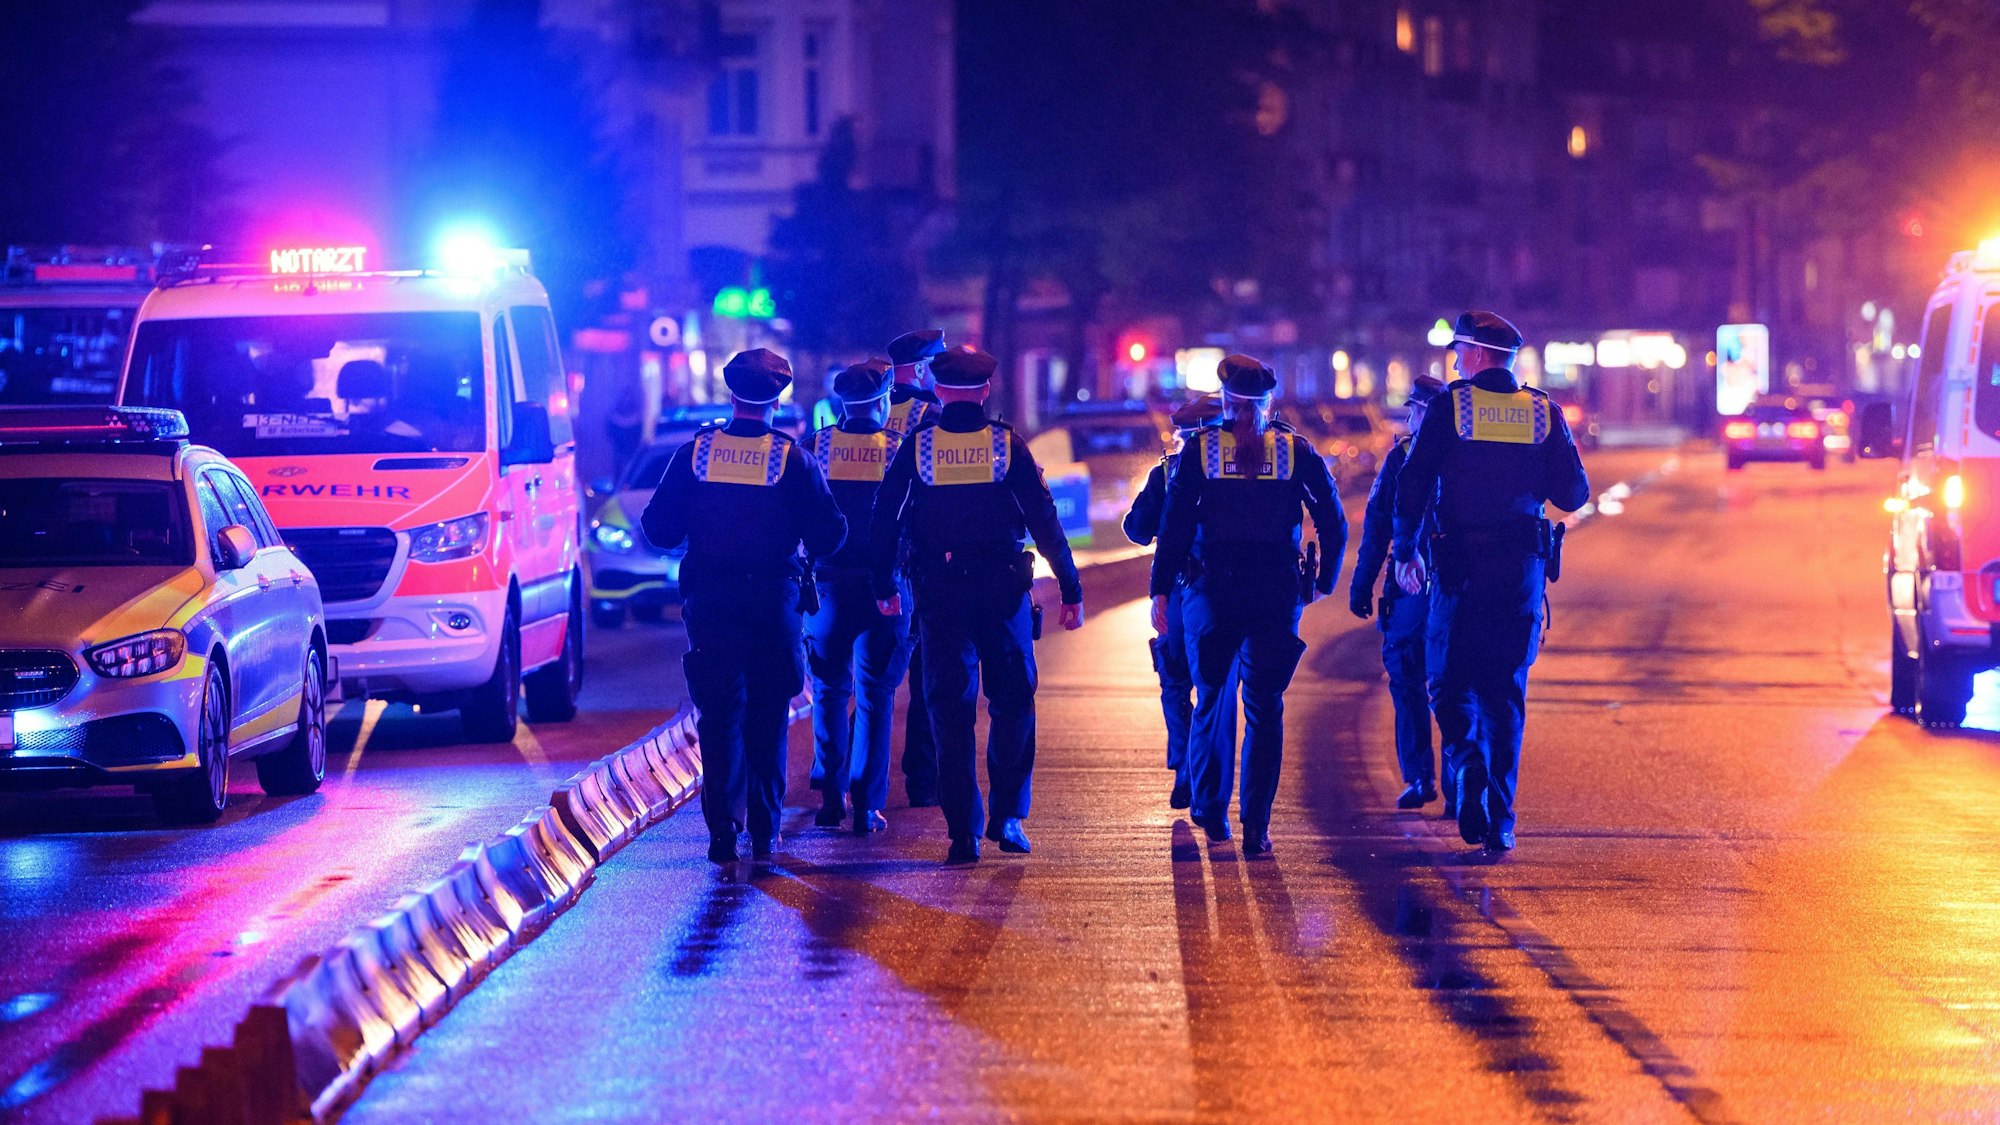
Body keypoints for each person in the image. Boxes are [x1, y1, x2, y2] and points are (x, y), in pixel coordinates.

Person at [871, 344, 1084, 864]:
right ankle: (1008, 817)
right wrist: (1070, 587)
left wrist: (882, 585)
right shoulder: (1008, 446)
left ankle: (962, 833)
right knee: (1012, 701)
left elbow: (885, 519)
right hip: (1002, 591)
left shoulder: (918, 448)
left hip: (939, 593)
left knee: (949, 709)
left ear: (940, 392)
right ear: (986, 390)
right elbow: (1044, 520)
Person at [1392, 311, 1590, 858]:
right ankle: (1501, 821)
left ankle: (1466, 762)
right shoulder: (1542, 412)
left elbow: (1413, 484)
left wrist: (1405, 550)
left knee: (1446, 683)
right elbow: (1574, 494)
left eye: (1460, 352)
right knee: (1505, 694)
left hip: (1458, 570)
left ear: (1478, 355)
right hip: (1520, 573)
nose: (1456, 360)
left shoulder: (1451, 407)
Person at [640, 349, 846, 864]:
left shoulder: (696, 453)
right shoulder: (792, 458)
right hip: (773, 602)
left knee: (719, 714)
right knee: (769, 713)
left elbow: (658, 528)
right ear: (777, 399)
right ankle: (764, 829)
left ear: (732, 397)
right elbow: (831, 532)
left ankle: (722, 832)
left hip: (711, 600)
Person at [1150, 355, 1346, 856]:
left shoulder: (1201, 451)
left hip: (1214, 593)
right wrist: (1323, 579)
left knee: (1213, 699)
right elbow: (1333, 519)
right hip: (1276, 594)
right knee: (1265, 707)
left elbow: (1172, 524)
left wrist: (1160, 591)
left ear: (1225, 402)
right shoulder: (1294, 451)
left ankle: (1213, 812)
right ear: (1267, 404)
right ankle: (1256, 826)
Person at [803, 358, 912, 835]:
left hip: (827, 585)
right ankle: (867, 805)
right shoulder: (898, 450)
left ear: (840, 405)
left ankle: (830, 794)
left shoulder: (816, 448)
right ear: (885, 402)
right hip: (884, 588)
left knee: (828, 689)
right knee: (875, 695)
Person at [1123, 394, 1228, 809]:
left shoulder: (1166, 474)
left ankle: (1185, 763)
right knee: (1214, 687)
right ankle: (1204, 775)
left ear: (1180, 436)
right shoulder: (1235, 471)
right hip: (1226, 589)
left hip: (1182, 588)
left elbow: (1136, 528)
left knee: (1174, 678)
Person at [1349, 374, 1448, 812]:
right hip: (1450, 585)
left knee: (1414, 679)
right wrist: (1363, 580)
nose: (1409, 418)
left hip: (1420, 585)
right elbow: (1377, 525)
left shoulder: (1409, 457)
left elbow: (1377, 527)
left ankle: (1425, 777)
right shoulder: (1463, 456)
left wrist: (1362, 583)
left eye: (1414, 410)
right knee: (1441, 682)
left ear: (1428, 413)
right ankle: (1447, 783)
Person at [885, 328, 947, 807]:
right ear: (923, 369)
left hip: (865, 557)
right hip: (918, 560)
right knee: (928, 671)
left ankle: (846, 773)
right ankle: (922, 778)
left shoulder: (865, 408)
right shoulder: (932, 416)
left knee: (873, 679)